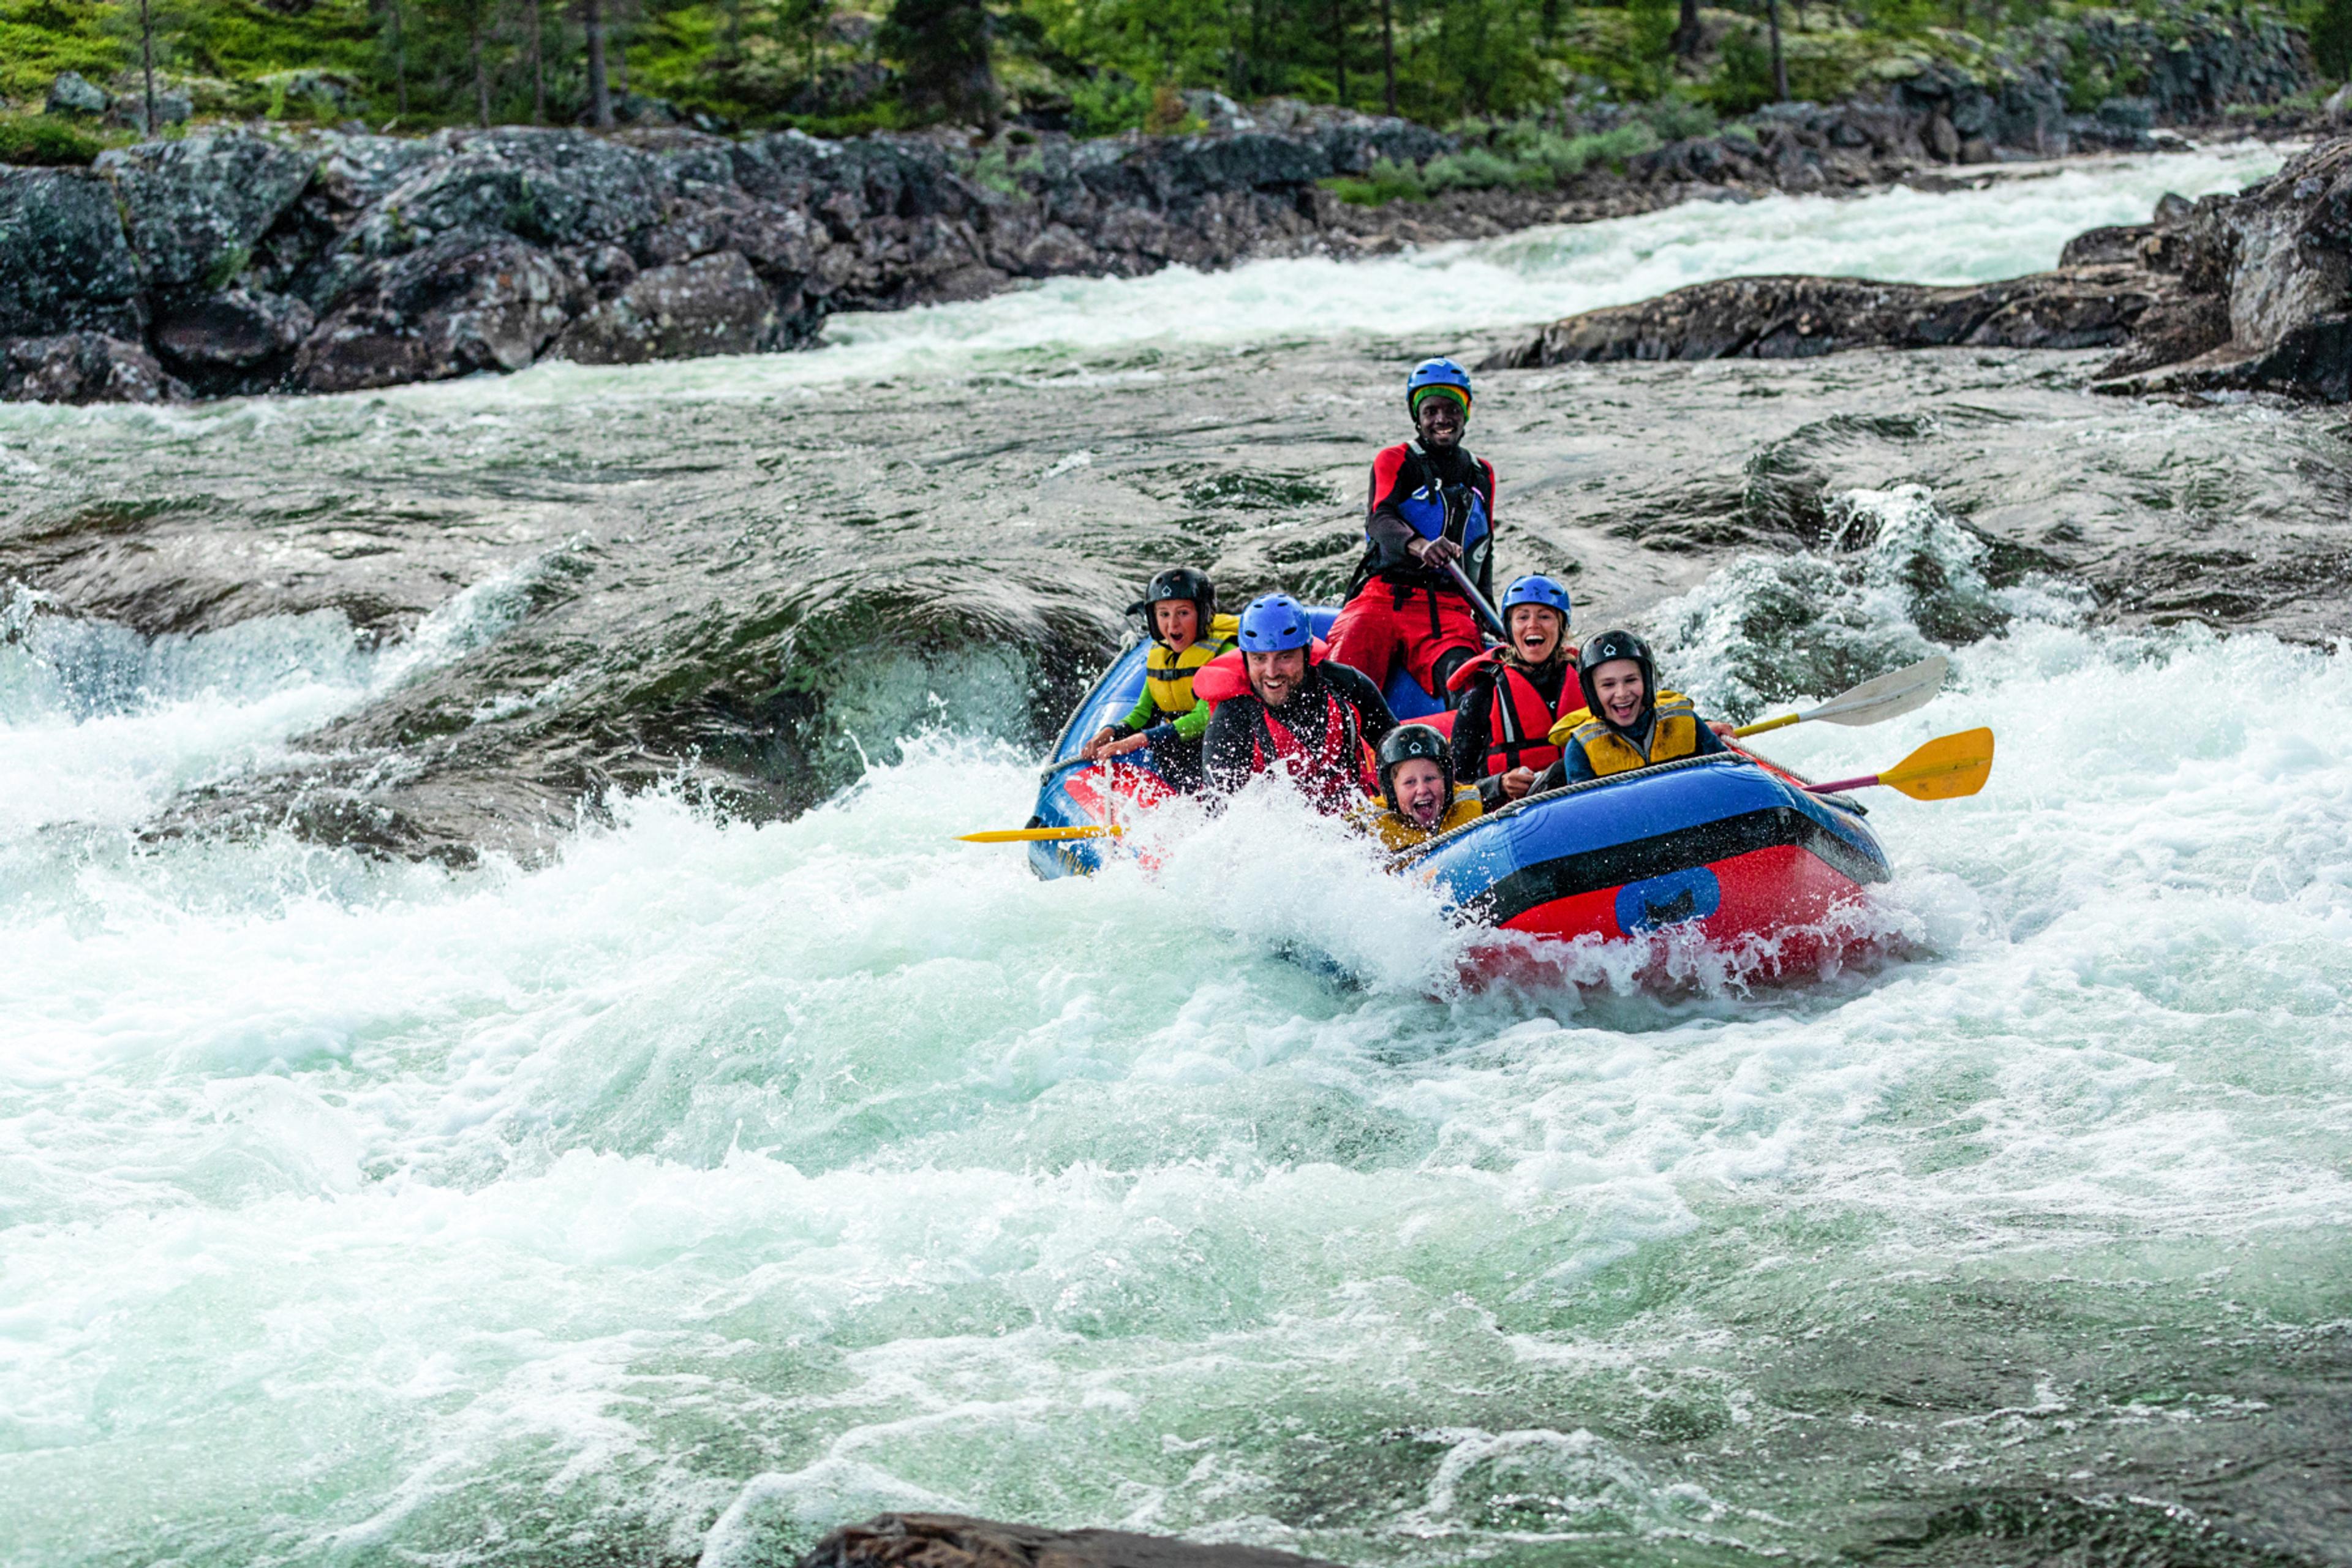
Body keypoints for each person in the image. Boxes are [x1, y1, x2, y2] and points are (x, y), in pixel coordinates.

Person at [1325, 358, 1496, 701]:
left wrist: (1490, 617)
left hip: (1447, 607)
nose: (1442, 419)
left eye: (1452, 409)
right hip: (1383, 598)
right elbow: (1380, 519)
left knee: (1470, 689)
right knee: (1341, 684)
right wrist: (1421, 546)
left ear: (1466, 412)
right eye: (1431, 411)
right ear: (1417, 416)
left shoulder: (1482, 474)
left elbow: (1483, 550)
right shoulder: (1395, 460)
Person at [1202, 592, 1398, 810]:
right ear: (1246, 659)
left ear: (1307, 653)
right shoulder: (1232, 718)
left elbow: (1401, 755)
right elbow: (1221, 812)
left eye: (1285, 657)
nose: (1272, 672)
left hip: (1356, 815)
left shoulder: (1347, 686)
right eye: (1259, 659)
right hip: (1280, 826)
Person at [1080, 567, 1237, 788]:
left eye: (1183, 613)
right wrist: (1111, 732)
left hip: (1216, 758)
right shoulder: (1161, 656)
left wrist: (1140, 740)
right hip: (1176, 756)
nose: (1172, 625)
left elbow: (1205, 718)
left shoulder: (1225, 653)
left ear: (1203, 614)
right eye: (1164, 614)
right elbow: (1143, 713)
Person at [1445, 573, 1582, 807]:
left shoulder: (1588, 681)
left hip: (1583, 801)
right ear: (1509, 628)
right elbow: (1453, 788)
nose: (1533, 625)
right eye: (1522, 617)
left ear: (1562, 627)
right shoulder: (1483, 695)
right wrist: (1498, 785)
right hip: (1516, 815)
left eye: (1545, 616)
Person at [1534, 628, 1730, 789]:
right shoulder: (1580, 748)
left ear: (1647, 682)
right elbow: (1585, 812)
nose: (1622, 693)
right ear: (1592, 693)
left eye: (1631, 680)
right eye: (1608, 685)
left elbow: (1729, 772)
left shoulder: (1686, 721)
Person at [1351, 723, 1483, 856]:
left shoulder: (1472, 801)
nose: (1422, 790)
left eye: (1430, 779)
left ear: (1447, 782)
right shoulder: (1365, 829)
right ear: (1391, 791)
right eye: (1410, 782)